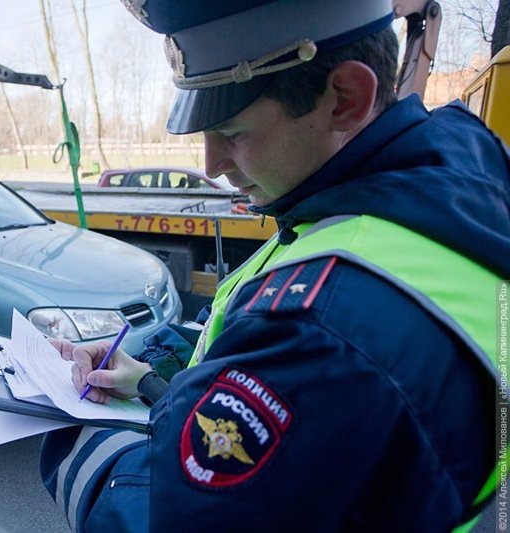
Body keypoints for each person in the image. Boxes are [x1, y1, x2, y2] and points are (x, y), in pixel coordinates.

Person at [39, 1, 509, 531]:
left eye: (233, 133)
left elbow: (158, 518)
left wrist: (69, 414)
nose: (211, 166)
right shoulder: (421, 198)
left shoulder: (324, 326)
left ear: (346, 99)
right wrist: (154, 370)